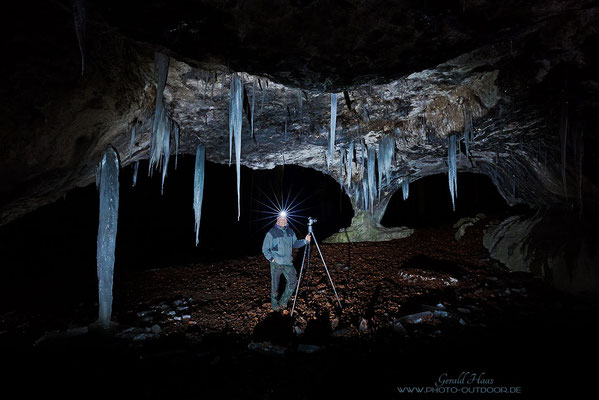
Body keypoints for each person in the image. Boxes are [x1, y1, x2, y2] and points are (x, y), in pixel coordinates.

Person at [262, 213, 311, 312]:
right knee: (275, 285)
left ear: (287, 220)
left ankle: (283, 301)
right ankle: (274, 304)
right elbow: (265, 249)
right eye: (281, 219)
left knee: (293, 281)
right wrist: (271, 259)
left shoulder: (290, 231)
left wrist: (305, 241)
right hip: (276, 263)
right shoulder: (271, 233)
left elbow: (295, 243)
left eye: (285, 219)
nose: (283, 221)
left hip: (288, 263)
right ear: (277, 220)